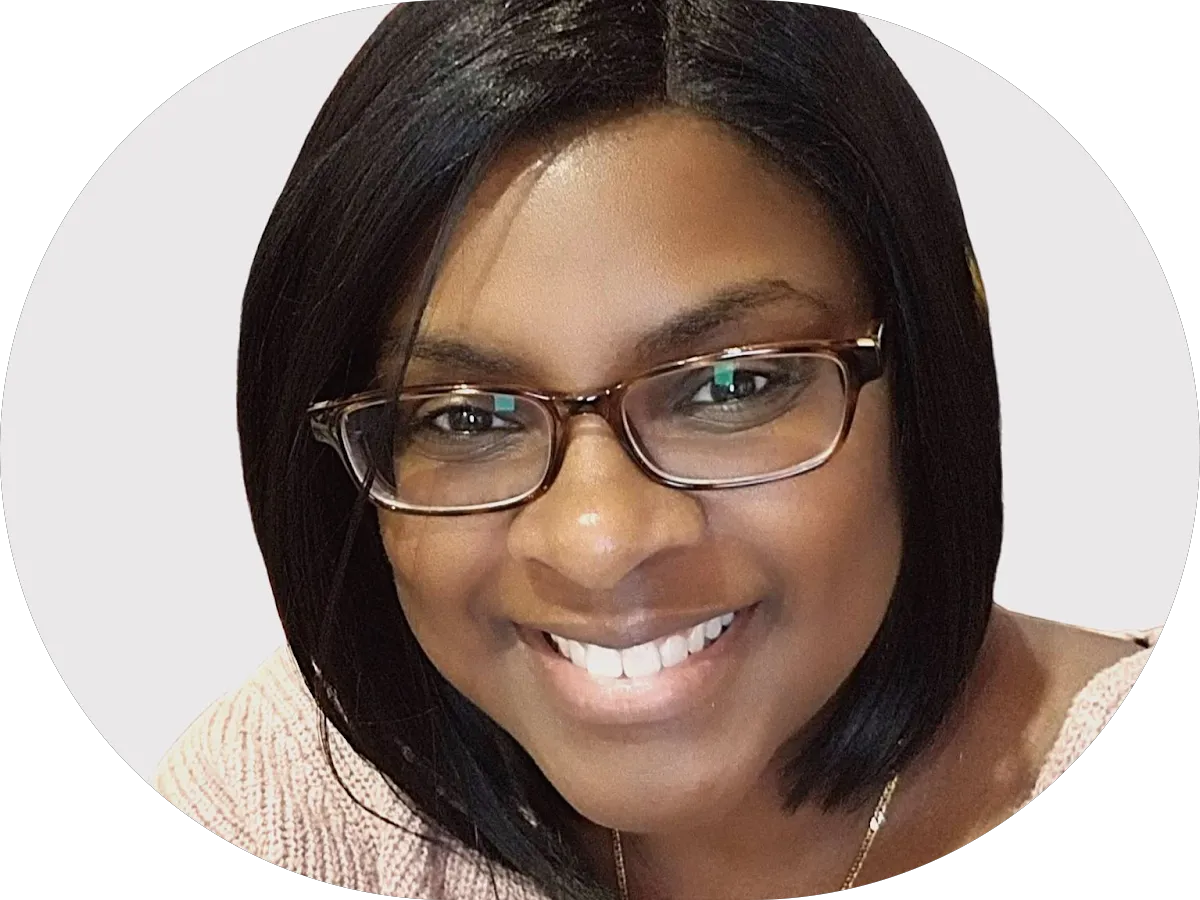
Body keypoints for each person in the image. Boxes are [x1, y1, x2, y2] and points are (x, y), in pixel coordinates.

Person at [154, 3, 1156, 898]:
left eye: (730, 386)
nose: (598, 540)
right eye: (467, 417)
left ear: (930, 376)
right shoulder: (294, 802)